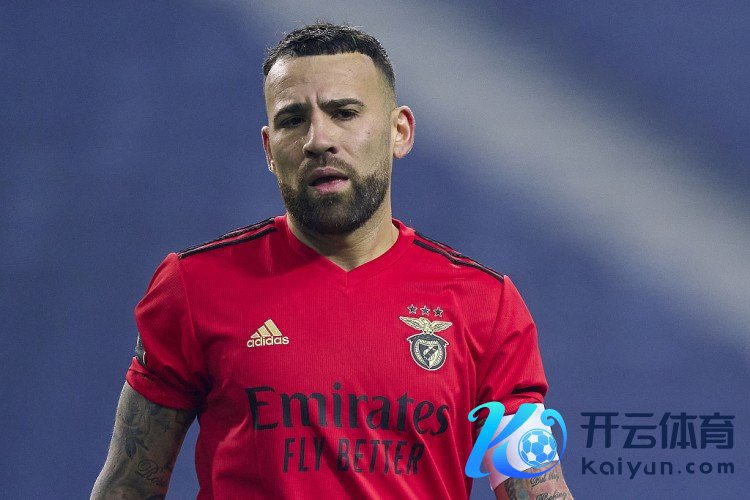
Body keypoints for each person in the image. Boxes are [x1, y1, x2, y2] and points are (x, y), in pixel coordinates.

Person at [92, 22, 573, 500]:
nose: (318, 139)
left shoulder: (486, 306)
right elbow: (127, 487)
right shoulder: (194, 287)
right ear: (269, 150)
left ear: (399, 131)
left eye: (344, 113)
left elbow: (538, 493)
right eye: (292, 119)